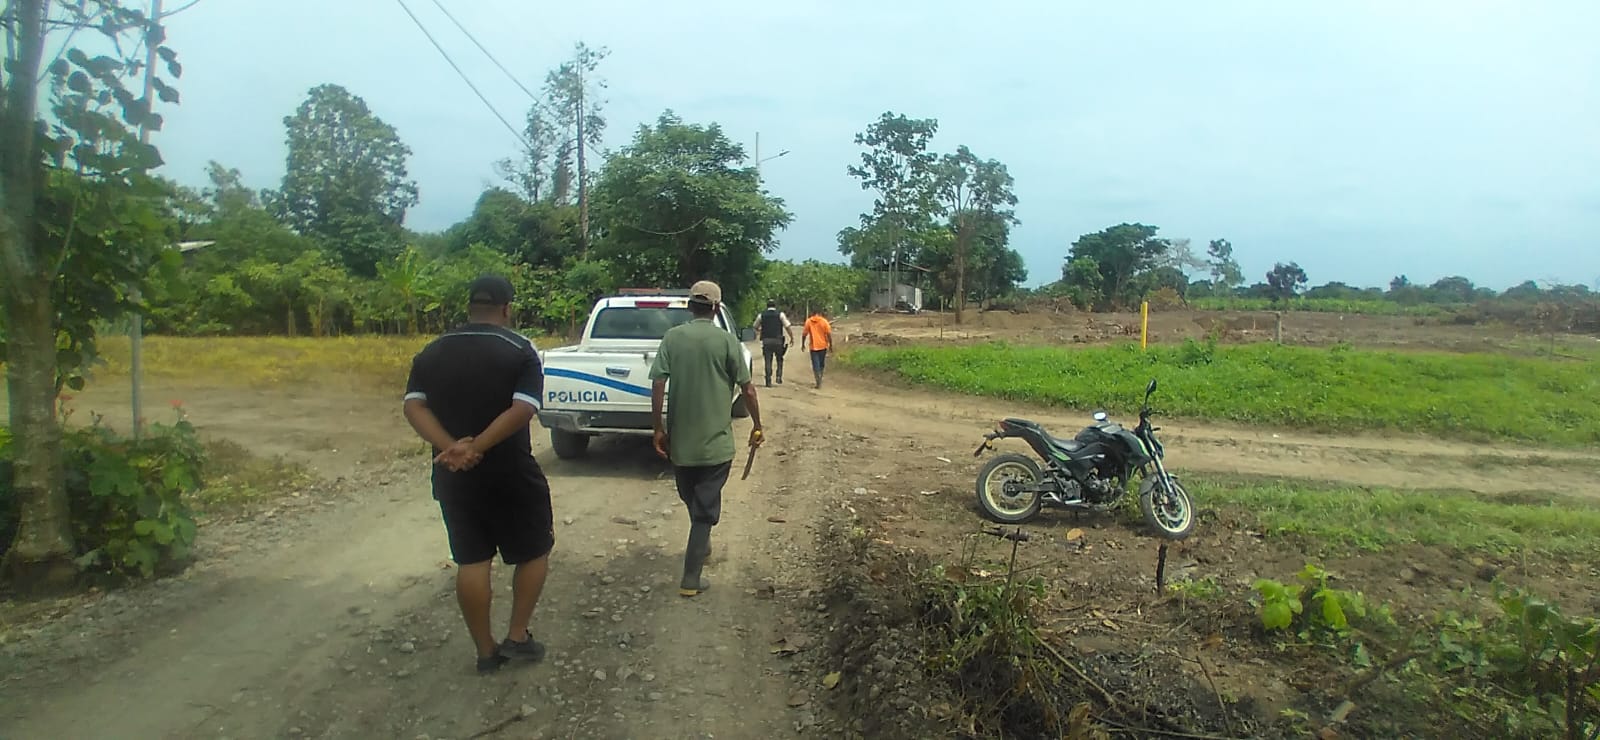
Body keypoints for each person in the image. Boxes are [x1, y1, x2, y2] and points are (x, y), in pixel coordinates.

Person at [402, 275, 554, 675]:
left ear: (469, 307)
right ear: (506, 309)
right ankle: (517, 636)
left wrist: (452, 448)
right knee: (533, 550)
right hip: (511, 472)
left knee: (472, 560)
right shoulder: (520, 350)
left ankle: (485, 652)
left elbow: (414, 406)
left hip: (453, 475)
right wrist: (478, 446)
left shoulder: (431, 352)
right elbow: (523, 409)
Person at [648, 280, 764, 597]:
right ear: (715, 308)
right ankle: (690, 578)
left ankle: (702, 542)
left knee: (694, 500)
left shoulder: (672, 338)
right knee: (703, 507)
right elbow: (748, 389)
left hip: (681, 444)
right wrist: (757, 424)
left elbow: (657, 383)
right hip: (716, 445)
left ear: (690, 306)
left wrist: (658, 427)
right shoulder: (726, 341)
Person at [750, 298, 795, 387]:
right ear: (775, 306)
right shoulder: (780, 314)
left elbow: (755, 326)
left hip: (766, 341)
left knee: (768, 360)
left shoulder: (761, 315)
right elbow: (787, 326)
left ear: (767, 306)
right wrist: (792, 338)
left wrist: (760, 331)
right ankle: (778, 376)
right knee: (779, 359)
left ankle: (768, 380)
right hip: (778, 341)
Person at [802, 307, 834, 389]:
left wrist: (803, 344)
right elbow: (829, 334)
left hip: (813, 347)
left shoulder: (809, 321)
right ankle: (820, 378)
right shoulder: (824, 321)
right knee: (821, 364)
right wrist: (830, 345)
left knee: (815, 365)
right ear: (819, 313)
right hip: (823, 346)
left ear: (812, 313)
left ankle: (818, 380)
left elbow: (804, 334)